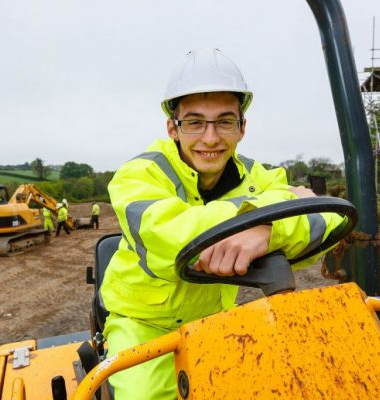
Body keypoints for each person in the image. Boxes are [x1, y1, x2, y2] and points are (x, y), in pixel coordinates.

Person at [100, 48, 345, 399]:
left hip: (216, 320)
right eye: (195, 122)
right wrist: (268, 213)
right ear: (173, 128)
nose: (211, 138)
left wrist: (268, 229)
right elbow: (171, 237)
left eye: (225, 121)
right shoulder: (137, 175)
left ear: (242, 128)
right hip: (142, 323)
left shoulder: (263, 175)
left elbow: (331, 220)